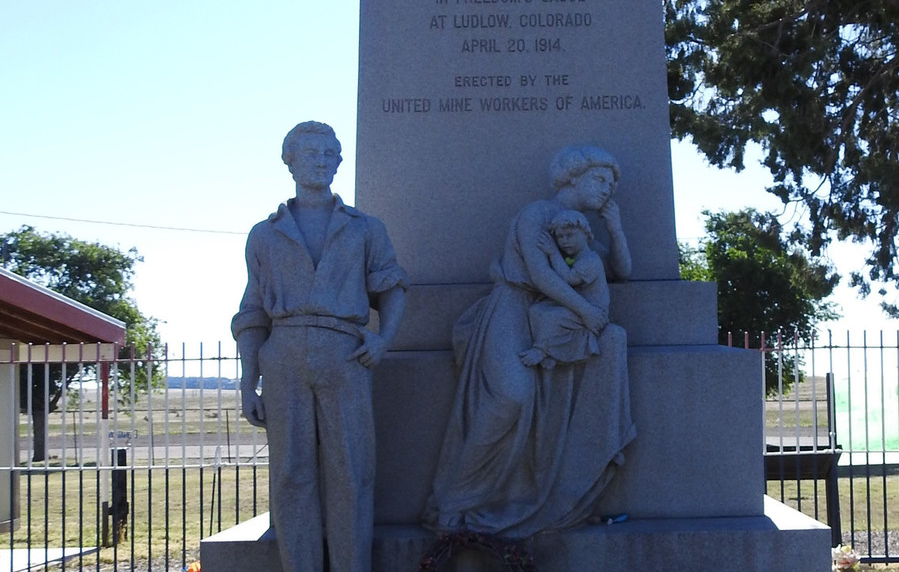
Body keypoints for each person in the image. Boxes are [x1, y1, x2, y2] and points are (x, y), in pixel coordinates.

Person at [425, 145, 635, 539]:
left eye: (611, 184)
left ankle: (534, 493)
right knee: (511, 396)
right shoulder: (535, 214)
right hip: (513, 305)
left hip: (550, 316)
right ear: (573, 176)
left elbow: (620, 271)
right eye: (600, 179)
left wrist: (616, 228)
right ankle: (454, 499)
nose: (607, 189)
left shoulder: (580, 233)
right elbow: (541, 276)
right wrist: (585, 311)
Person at [232, 121, 408, 572]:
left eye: (329, 153)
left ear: (339, 161)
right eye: (310, 153)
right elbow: (252, 311)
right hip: (283, 353)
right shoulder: (264, 234)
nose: (321, 161)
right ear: (289, 162)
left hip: (345, 353)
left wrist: (384, 340)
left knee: (352, 472)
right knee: (291, 474)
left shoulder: (365, 228)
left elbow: (392, 288)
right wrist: (249, 381)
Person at [520, 209, 609, 369]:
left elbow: (569, 278)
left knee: (553, 317)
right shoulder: (574, 259)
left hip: (595, 310)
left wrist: (553, 252)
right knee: (537, 310)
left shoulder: (591, 261)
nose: (564, 241)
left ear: (586, 234)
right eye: (560, 237)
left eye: (570, 235)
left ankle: (541, 350)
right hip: (576, 307)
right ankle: (555, 353)